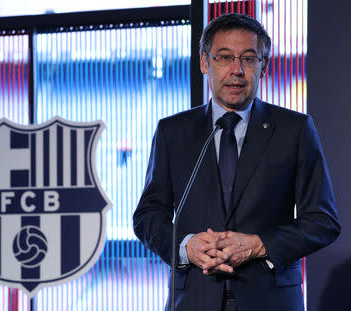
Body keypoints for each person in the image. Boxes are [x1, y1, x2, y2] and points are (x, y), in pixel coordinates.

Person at [133, 13, 340, 311]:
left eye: (249, 58)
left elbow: (324, 221)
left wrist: (259, 244)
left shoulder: (295, 129)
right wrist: (185, 246)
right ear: (205, 63)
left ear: (263, 66)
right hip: (193, 299)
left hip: (271, 300)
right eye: (224, 57)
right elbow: (148, 216)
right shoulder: (172, 131)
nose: (237, 70)